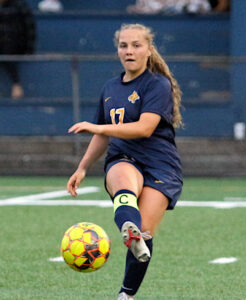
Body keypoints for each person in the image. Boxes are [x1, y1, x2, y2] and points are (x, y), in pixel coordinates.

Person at [66, 23, 183, 300]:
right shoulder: (110, 87)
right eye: (123, 45)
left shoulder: (158, 85)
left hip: (160, 164)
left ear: (149, 50)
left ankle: (126, 294)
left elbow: (144, 128)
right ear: (118, 50)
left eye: (136, 45)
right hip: (123, 156)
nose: (129, 51)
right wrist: (82, 167)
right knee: (124, 188)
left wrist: (99, 128)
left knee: (145, 235)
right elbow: (101, 135)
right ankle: (128, 229)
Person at [0, 0, 35, 100]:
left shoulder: (19, 6)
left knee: (7, 49)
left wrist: (29, 48)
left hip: (16, 42)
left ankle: (16, 85)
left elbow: (30, 27)